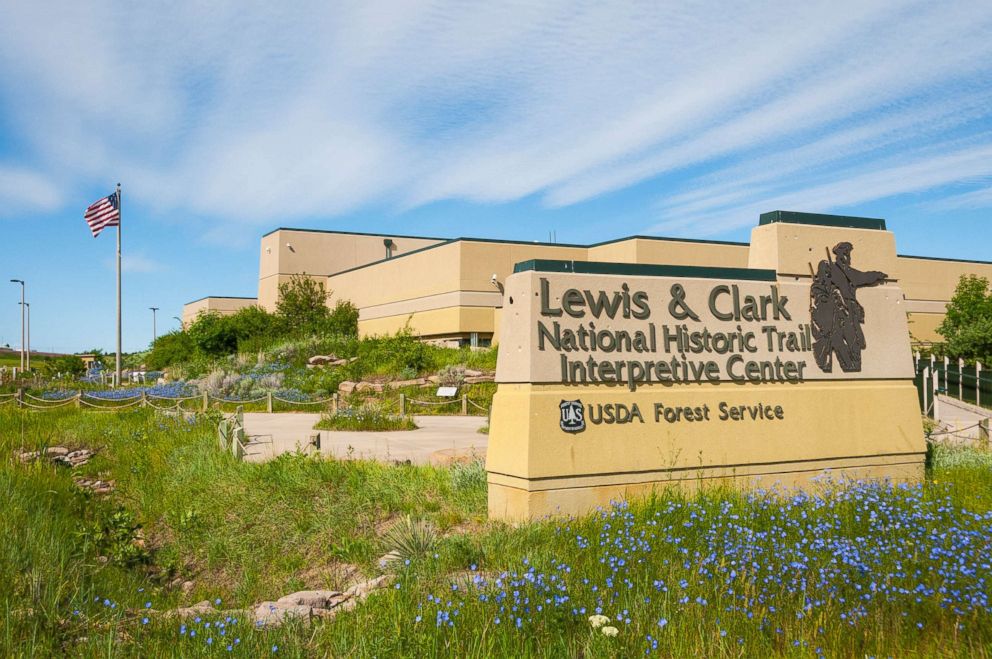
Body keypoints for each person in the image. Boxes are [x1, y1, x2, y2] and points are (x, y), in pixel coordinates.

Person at [810, 242, 887, 372]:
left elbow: (863, 277)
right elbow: (820, 292)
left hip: (849, 312)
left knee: (854, 342)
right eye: (844, 253)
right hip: (834, 315)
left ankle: (853, 366)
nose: (846, 256)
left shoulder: (846, 271)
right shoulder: (830, 270)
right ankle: (847, 365)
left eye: (847, 253)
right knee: (838, 341)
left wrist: (878, 275)